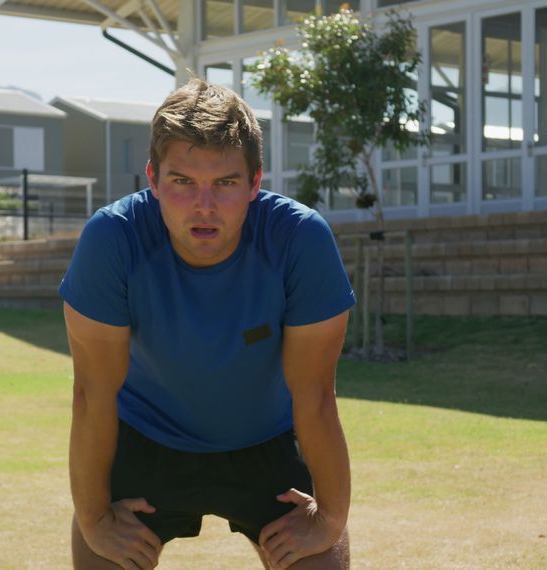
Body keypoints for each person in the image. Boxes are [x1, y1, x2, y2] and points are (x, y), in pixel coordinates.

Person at [59, 78, 355, 570]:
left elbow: (317, 396)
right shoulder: (112, 240)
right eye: (183, 182)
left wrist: (330, 519)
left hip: (267, 440)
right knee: (101, 554)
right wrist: (93, 519)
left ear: (255, 182)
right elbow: (92, 393)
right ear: (152, 179)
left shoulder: (299, 239)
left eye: (225, 183)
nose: (205, 206)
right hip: (147, 438)